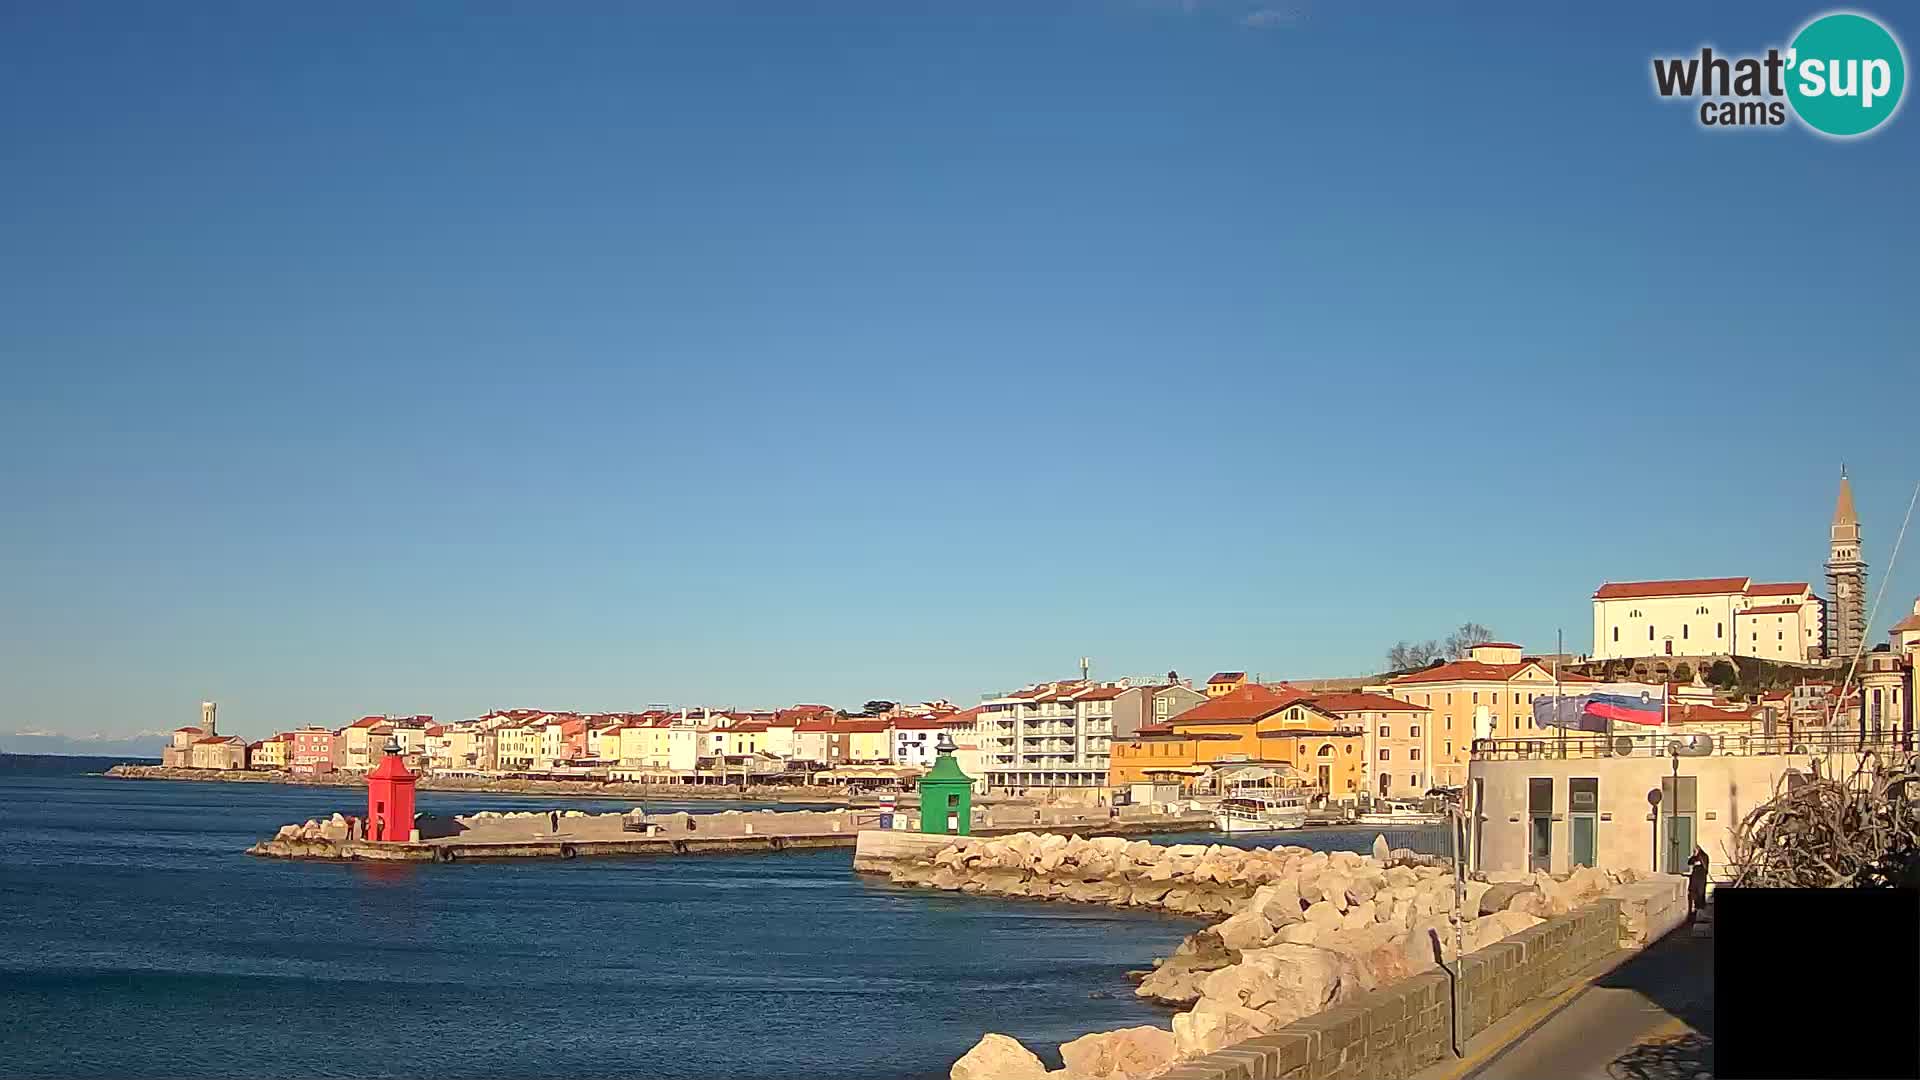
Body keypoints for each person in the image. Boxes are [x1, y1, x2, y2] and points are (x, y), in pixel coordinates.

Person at [1686, 845, 1710, 922]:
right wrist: (1694, 856)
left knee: (1700, 894)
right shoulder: (1695, 857)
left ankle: (1700, 912)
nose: (1694, 852)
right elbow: (1689, 862)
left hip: (1701, 878)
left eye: (1695, 850)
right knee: (1694, 893)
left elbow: (1705, 867)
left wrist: (1699, 860)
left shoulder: (1704, 856)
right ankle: (1694, 912)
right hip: (1695, 878)